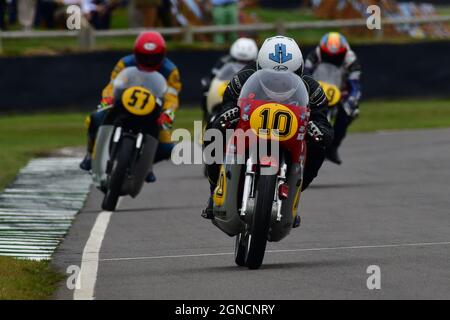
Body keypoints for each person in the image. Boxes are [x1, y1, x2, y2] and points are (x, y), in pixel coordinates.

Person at [201, 35, 334, 228]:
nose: (280, 83)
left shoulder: (312, 88)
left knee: (319, 146)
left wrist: (320, 131)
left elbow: (323, 120)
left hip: (289, 136)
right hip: (250, 129)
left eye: (290, 75)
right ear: (259, 68)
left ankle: (292, 197)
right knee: (214, 131)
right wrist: (228, 114)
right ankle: (214, 191)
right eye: (272, 75)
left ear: (300, 70)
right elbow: (227, 104)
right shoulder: (243, 77)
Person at [80, 31, 182, 182]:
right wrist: (108, 99)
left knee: (166, 148)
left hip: (153, 109)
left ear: (162, 54)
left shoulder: (170, 70)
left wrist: (168, 113)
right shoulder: (124, 63)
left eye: (154, 56)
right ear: (136, 53)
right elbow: (112, 85)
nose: (149, 60)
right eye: (144, 56)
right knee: (95, 118)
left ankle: (144, 165)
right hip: (123, 103)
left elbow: (172, 96)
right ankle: (90, 154)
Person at [304, 32, 362, 165]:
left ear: (344, 52)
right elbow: (305, 73)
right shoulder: (316, 54)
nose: (332, 58)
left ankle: (333, 147)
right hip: (318, 87)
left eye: (337, 57)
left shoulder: (351, 60)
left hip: (341, 91)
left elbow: (355, 85)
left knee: (350, 112)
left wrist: (352, 99)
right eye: (328, 56)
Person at [200, 37, 258, 119]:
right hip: (225, 87)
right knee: (205, 89)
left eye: (245, 62)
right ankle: (207, 115)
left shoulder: (257, 63)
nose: (241, 65)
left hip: (247, 93)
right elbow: (212, 75)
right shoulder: (224, 60)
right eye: (239, 61)